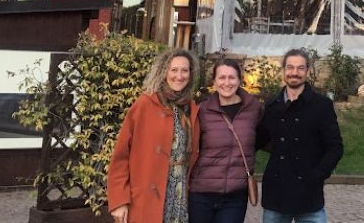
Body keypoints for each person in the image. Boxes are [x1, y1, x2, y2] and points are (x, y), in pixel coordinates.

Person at [108, 48, 201, 223]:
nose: (179, 76)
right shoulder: (145, 104)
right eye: (174, 70)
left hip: (179, 195)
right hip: (148, 195)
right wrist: (119, 201)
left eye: (184, 70)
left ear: (191, 73)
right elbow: (121, 156)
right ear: (163, 71)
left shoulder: (191, 108)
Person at [256, 48, 344, 223]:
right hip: (276, 194)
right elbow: (259, 140)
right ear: (283, 70)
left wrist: (317, 175)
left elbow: (335, 147)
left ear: (308, 71)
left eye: (300, 68)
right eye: (290, 67)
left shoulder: (321, 106)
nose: (294, 73)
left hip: (309, 195)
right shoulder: (272, 106)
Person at [189, 59, 263, 223]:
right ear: (214, 82)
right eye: (222, 78)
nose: (227, 83)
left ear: (240, 80)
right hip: (201, 194)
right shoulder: (202, 111)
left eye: (232, 77)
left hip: (235, 196)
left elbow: (261, 138)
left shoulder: (254, 108)